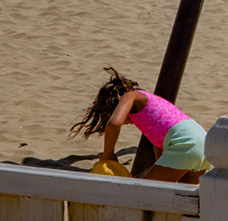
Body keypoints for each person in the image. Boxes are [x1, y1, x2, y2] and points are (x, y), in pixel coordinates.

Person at [72, 68, 209, 183]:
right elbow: (159, 144)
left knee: (146, 194)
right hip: (204, 144)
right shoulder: (154, 108)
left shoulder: (130, 96)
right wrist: (159, 168)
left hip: (185, 144)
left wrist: (108, 154)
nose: (125, 122)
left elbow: (113, 124)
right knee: (183, 199)